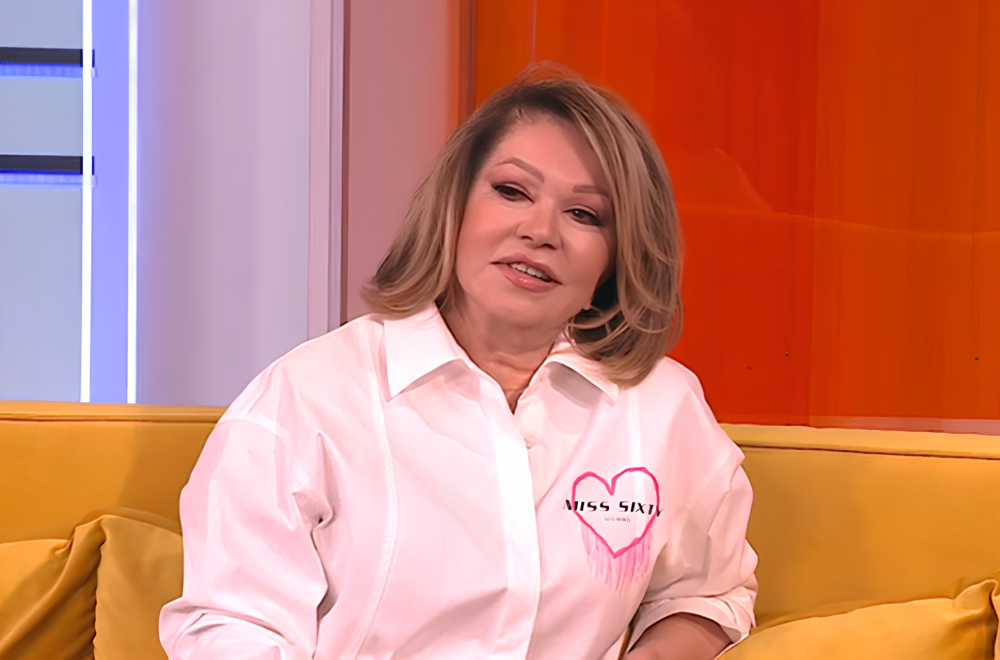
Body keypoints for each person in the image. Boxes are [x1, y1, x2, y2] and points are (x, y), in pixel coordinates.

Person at [159, 66, 757, 660]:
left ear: (616, 257)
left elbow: (708, 594)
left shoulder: (663, 407)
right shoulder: (307, 396)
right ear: (455, 204)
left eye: (584, 215)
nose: (540, 231)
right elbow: (231, 625)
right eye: (512, 191)